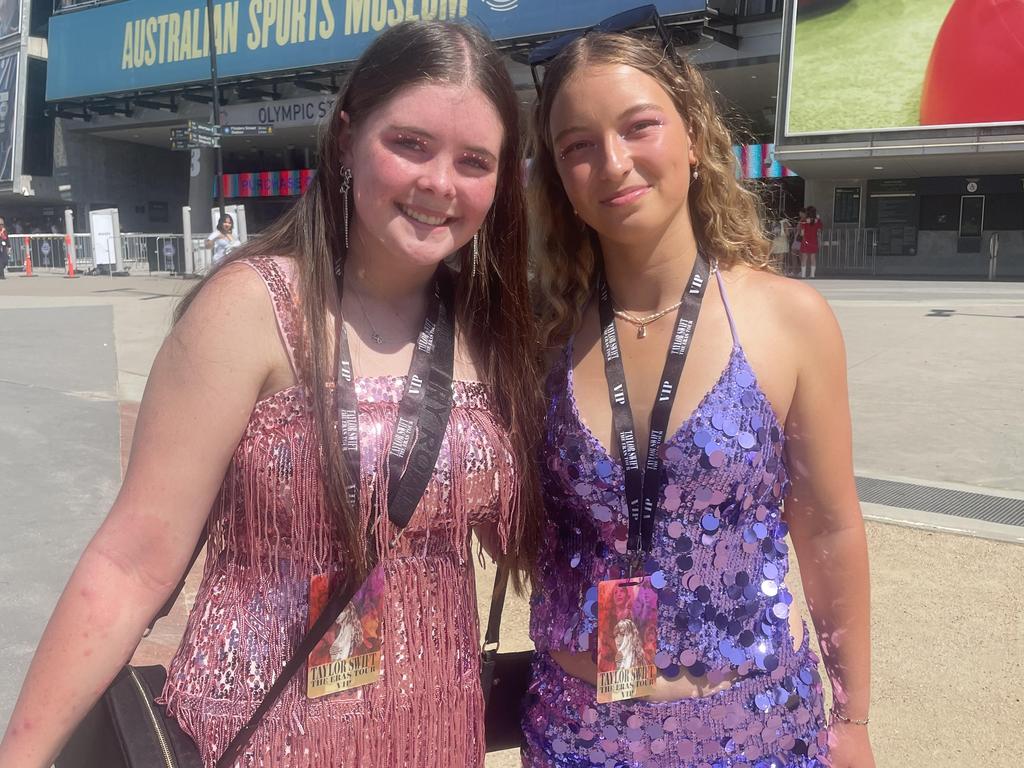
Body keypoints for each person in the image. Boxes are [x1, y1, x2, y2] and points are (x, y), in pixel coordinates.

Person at [0, 20, 541, 768]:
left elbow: (527, 541)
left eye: (474, 160)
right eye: (410, 144)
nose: (439, 183)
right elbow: (133, 561)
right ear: (347, 139)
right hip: (257, 734)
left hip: (434, 738)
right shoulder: (252, 308)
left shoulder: (491, 329)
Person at [524, 30, 873, 768]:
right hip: (575, 736)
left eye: (638, 125)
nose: (612, 162)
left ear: (692, 133)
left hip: (753, 734)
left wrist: (853, 719)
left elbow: (831, 528)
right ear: (558, 176)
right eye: (577, 145)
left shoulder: (789, 318)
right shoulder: (542, 337)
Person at [799, 205, 824, 279]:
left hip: (805, 240)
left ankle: (803, 275)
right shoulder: (818, 221)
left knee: (804, 258)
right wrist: (819, 241)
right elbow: (819, 232)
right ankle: (812, 274)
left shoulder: (804, 221)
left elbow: (802, 233)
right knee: (813, 257)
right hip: (814, 240)